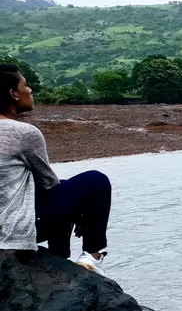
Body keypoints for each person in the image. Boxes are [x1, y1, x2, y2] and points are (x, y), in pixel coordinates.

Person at [0, 63, 111, 274]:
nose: (30, 90)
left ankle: (60, 258)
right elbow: (48, 184)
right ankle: (91, 257)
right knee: (95, 181)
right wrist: (82, 212)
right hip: (12, 237)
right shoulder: (23, 133)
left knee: (65, 189)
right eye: (26, 85)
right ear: (13, 94)